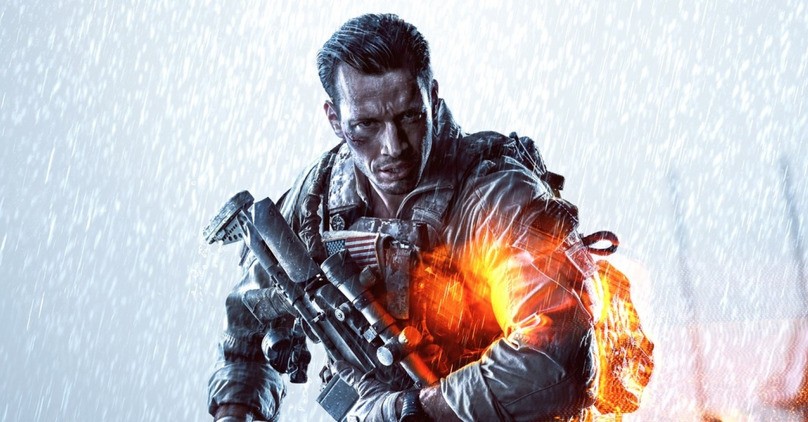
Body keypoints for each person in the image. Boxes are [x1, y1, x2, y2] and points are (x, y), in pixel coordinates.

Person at [208, 13, 598, 422]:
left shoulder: (496, 198)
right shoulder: (317, 198)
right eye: (366, 125)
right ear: (334, 119)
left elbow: (554, 359)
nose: (393, 147)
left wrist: (414, 409)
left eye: (409, 117)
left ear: (433, 96)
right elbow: (245, 329)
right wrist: (236, 411)